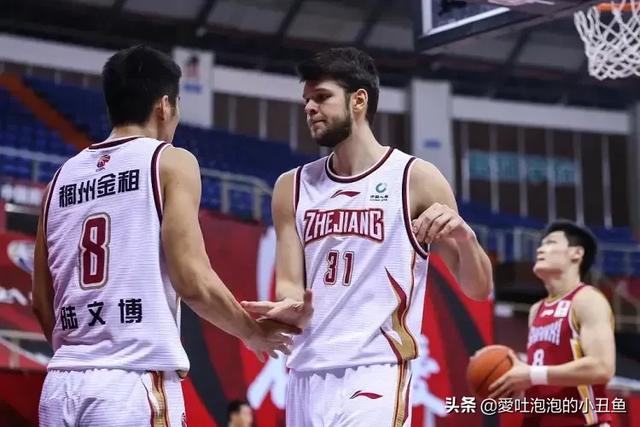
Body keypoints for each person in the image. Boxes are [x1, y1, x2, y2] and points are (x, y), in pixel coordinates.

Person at [31, 45, 297, 427]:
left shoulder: (58, 180)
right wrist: (252, 332)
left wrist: (82, 355)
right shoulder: (169, 161)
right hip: (130, 382)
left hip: (61, 385)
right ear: (164, 106)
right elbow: (192, 280)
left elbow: (42, 303)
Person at [241, 47, 493, 427]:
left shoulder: (415, 179)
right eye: (306, 99)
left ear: (359, 100)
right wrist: (289, 306)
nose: (309, 108)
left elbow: (478, 288)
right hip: (306, 372)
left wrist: (466, 239)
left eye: (322, 97)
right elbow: (290, 283)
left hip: (376, 369)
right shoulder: (290, 187)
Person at [489, 220, 615, 427]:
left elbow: (602, 367)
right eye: (541, 245)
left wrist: (531, 374)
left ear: (576, 253)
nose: (540, 249)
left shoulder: (587, 299)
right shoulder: (536, 310)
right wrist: (516, 383)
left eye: (550, 243)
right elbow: (545, 376)